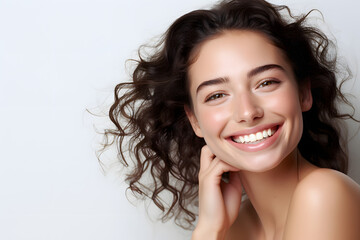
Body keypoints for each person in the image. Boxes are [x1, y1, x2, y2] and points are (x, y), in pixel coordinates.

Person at [101, 0, 360, 239]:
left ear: (303, 93)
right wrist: (209, 228)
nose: (247, 112)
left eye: (266, 82)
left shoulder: (324, 194)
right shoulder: (234, 227)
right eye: (217, 95)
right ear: (195, 121)